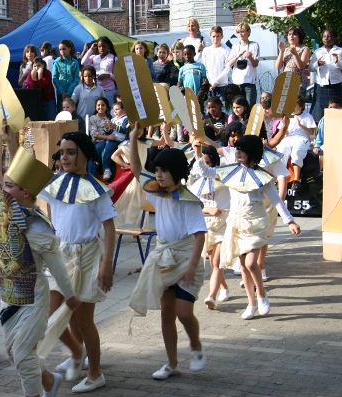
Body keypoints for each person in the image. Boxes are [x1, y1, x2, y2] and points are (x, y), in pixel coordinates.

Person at [0, 120, 81, 397]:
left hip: (34, 296)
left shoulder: (38, 227)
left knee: (21, 353)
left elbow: (57, 265)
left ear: (25, 192)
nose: (1, 189)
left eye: (9, 186)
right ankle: (49, 381)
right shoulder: (2, 207)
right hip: (9, 295)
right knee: (15, 354)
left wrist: (70, 296)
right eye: (4, 184)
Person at [127, 122, 207, 380]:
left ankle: (195, 344)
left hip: (186, 258)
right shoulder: (157, 195)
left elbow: (199, 235)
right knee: (166, 313)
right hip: (164, 257)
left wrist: (193, 266)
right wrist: (132, 139)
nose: (158, 175)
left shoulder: (189, 201)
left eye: (164, 170)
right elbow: (137, 171)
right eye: (157, 170)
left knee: (184, 312)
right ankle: (172, 363)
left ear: (177, 172)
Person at [39, 131, 117, 394]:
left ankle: (95, 373)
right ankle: (77, 352)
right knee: (51, 314)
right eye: (62, 152)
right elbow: (22, 176)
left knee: (83, 320)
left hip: (86, 256)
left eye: (71, 152)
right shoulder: (56, 182)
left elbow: (109, 227)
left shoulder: (96, 190)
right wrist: (13, 141)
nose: (65, 157)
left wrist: (106, 264)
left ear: (85, 154)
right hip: (60, 255)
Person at [192, 134, 300, 319]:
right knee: (243, 266)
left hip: (255, 220)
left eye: (242, 150)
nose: (238, 153)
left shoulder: (262, 176)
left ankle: (262, 295)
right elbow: (206, 172)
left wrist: (289, 220)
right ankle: (251, 303)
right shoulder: (230, 170)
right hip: (235, 222)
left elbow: (276, 201)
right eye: (237, 149)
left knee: (251, 263)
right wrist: (198, 151)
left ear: (252, 153)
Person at [188, 145, 231, 308]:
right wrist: (207, 209)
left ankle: (211, 296)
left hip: (223, 222)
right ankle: (224, 287)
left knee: (217, 261)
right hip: (204, 224)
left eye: (206, 158)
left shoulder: (222, 174)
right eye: (201, 157)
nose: (203, 161)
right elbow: (193, 203)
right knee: (213, 261)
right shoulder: (196, 178)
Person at [273, 95, 316, 191]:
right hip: (288, 139)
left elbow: (312, 132)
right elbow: (282, 131)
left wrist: (300, 125)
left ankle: (296, 180)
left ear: (300, 106)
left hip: (301, 138)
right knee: (281, 152)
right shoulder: (287, 116)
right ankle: (278, 180)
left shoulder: (307, 116)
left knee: (296, 153)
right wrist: (285, 127)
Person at [309, 28, 342, 123]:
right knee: (319, 114)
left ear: (335, 38)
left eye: (329, 36)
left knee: (336, 113)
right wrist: (317, 64)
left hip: (336, 86)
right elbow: (311, 67)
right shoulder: (318, 51)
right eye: (324, 36)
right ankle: (320, 135)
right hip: (322, 86)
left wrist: (338, 62)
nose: (326, 38)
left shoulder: (339, 51)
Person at [227, 23, 259, 107]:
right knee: (238, 107)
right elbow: (230, 64)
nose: (240, 34)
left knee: (249, 107)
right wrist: (238, 56)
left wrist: (250, 57)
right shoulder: (235, 46)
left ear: (248, 32)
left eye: (243, 32)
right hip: (237, 82)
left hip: (249, 83)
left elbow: (255, 64)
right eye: (238, 32)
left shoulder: (254, 45)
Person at [80, 36, 118, 106]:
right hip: (96, 88)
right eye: (99, 46)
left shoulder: (114, 59)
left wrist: (108, 75)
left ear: (108, 46)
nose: (101, 48)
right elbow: (83, 62)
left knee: (109, 110)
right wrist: (91, 49)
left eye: (104, 46)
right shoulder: (94, 57)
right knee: (97, 110)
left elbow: (119, 77)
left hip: (109, 90)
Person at [275, 26, 310, 97]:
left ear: (299, 36)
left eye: (294, 34)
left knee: (296, 105)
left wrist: (295, 54)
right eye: (289, 34)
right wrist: (281, 51)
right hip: (286, 82)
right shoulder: (286, 50)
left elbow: (301, 66)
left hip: (298, 82)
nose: (291, 36)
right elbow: (278, 66)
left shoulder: (304, 49)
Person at [203, 26, 231, 102]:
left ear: (222, 36)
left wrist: (215, 83)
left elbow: (226, 69)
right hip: (210, 86)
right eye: (213, 36)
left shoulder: (226, 50)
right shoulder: (206, 50)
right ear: (210, 37)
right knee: (210, 109)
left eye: (218, 36)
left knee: (221, 109)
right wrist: (209, 82)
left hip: (221, 86)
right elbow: (205, 68)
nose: (215, 39)